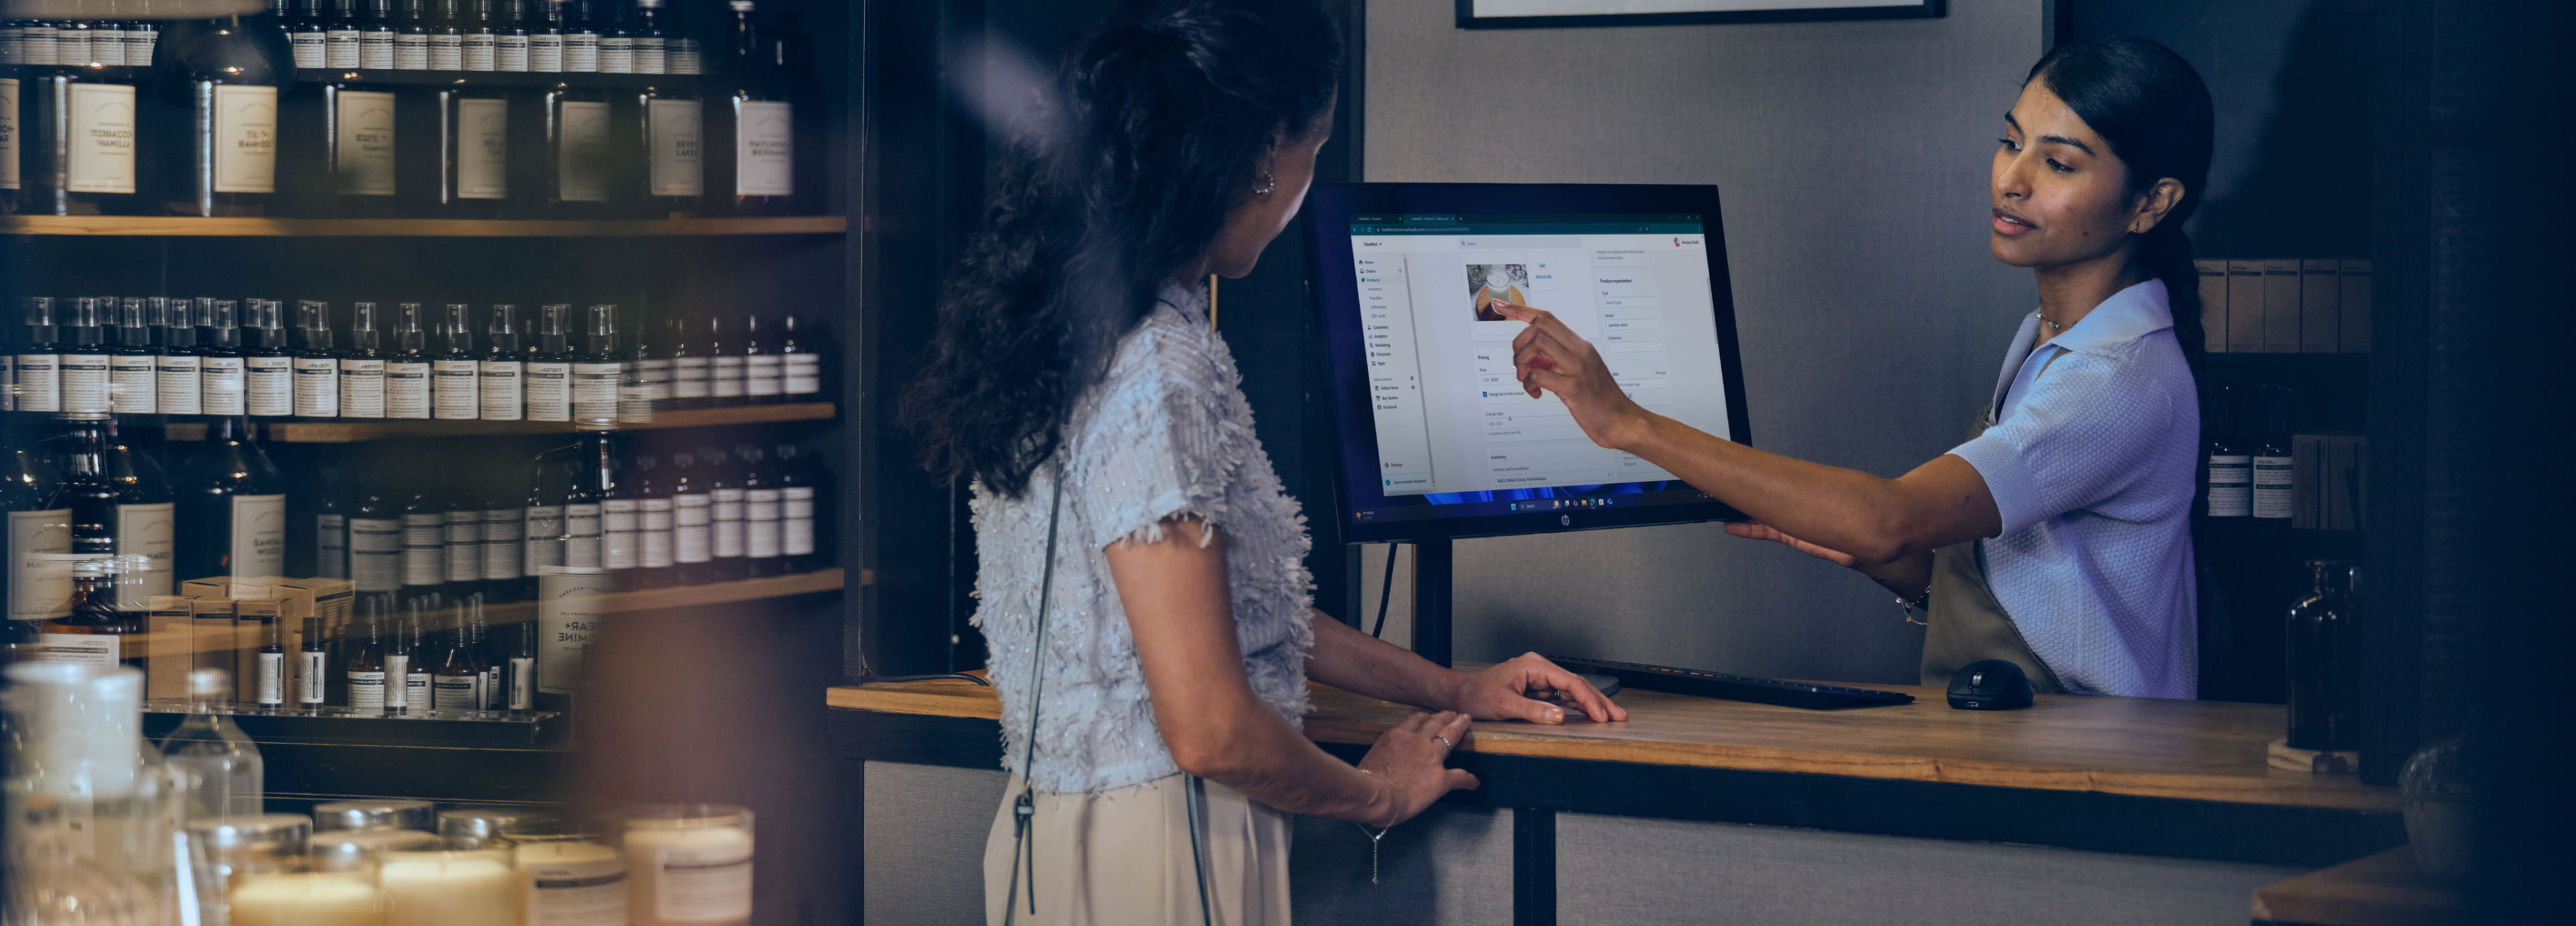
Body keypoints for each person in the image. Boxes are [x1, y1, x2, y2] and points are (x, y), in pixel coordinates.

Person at [902, 3, 1624, 923]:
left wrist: (1452, 688)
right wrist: (1381, 792)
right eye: (1313, 151)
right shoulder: (1162, 370)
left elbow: (1229, 611)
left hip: (1056, 842)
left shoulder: (1071, 337)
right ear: (1260, 154)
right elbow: (1209, 727)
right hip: (1172, 848)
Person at [1495, 36, 2216, 699]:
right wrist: (1895, 566)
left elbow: (1889, 518)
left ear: (2152, 203)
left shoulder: (2114, 379)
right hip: (2020, 736)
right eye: (2009, 142)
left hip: (2092, 769)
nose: (2011, 180)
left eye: (2058, 163)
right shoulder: (2052, 337)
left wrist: (1627, 423)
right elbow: (2052, 591)